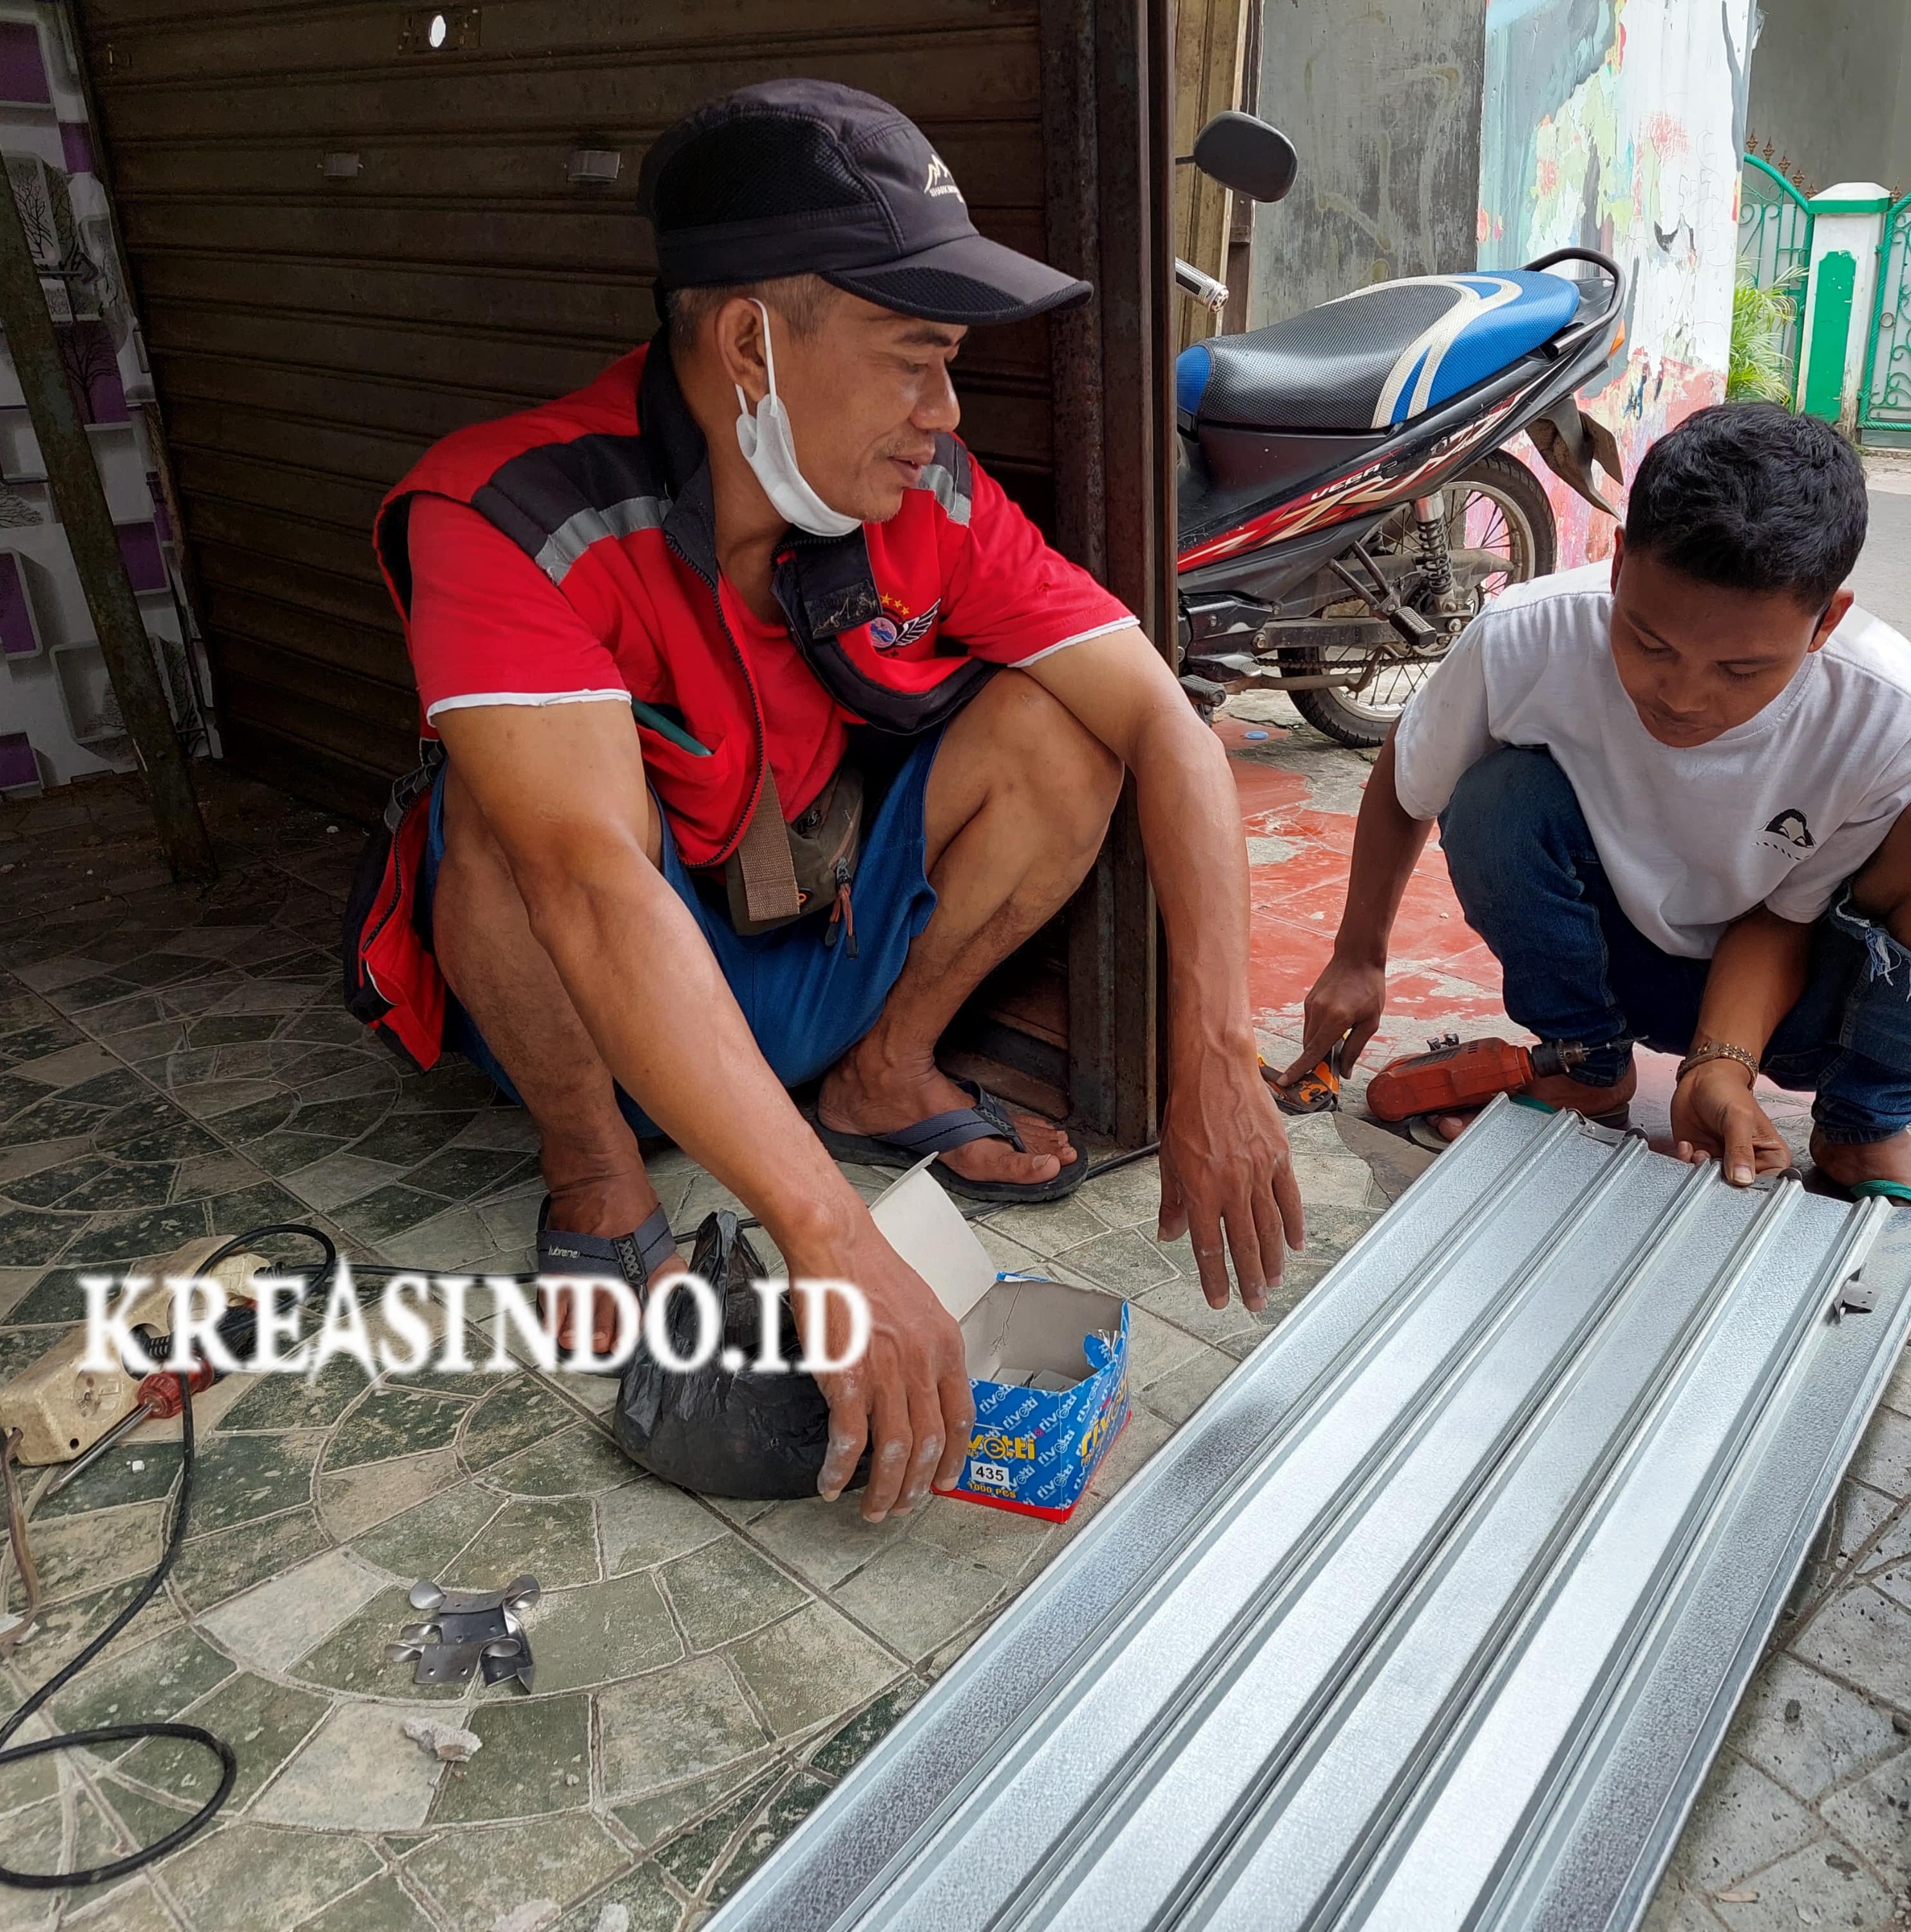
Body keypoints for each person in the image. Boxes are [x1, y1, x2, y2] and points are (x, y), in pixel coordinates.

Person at [368, 80, 1301, 1521]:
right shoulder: (504, 515)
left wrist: (1217, 1049)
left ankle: (882, 1074)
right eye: (914, 359)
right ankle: (601, 1186)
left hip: (806, 964)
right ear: (750, 339)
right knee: (498, 817)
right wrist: (823, 1230)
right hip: (592, 1011)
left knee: (1069, 729)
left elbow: (1167, 730)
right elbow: (593, 889)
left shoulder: (930, 500)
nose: (944, 411)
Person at [1283, 403, 1911, 1288]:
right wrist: (1356, 957)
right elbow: (1406, 778)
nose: (1682, 694)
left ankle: (1864, 1129)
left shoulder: (1895, 717)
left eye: (1741, 670)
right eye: (1647, 640)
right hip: (1616, 965)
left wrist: (1721, 1068)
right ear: (1616, 567)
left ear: (1827, 621)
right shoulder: (1524, 638)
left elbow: (1784, 918)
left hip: (1793, 1003)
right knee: (1494, 794)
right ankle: (1589, 1065)